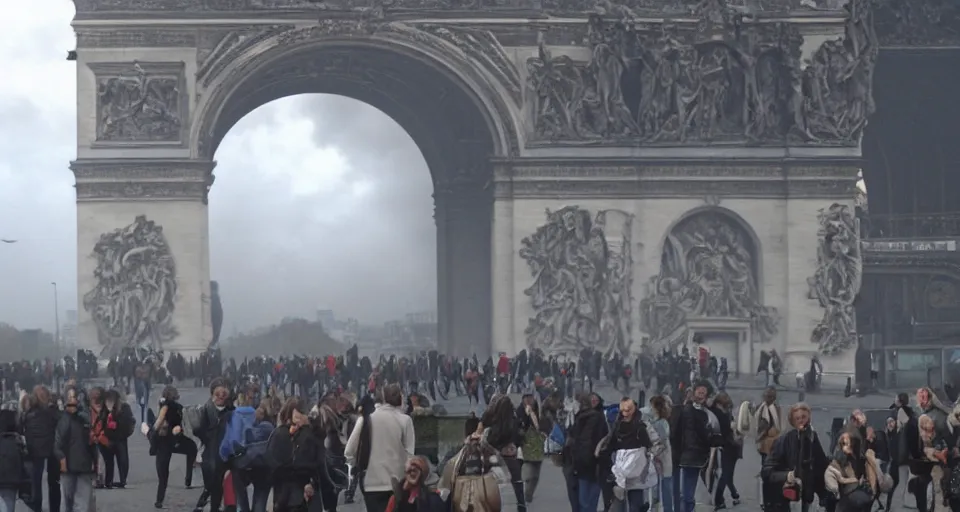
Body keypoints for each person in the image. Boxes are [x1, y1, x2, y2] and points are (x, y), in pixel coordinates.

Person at [345, 384, 415, 512]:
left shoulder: (365, 420)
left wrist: (356, 466)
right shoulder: (405, 420)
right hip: (398, 483)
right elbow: (410, 455)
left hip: (371, 483)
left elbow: (349, 451)